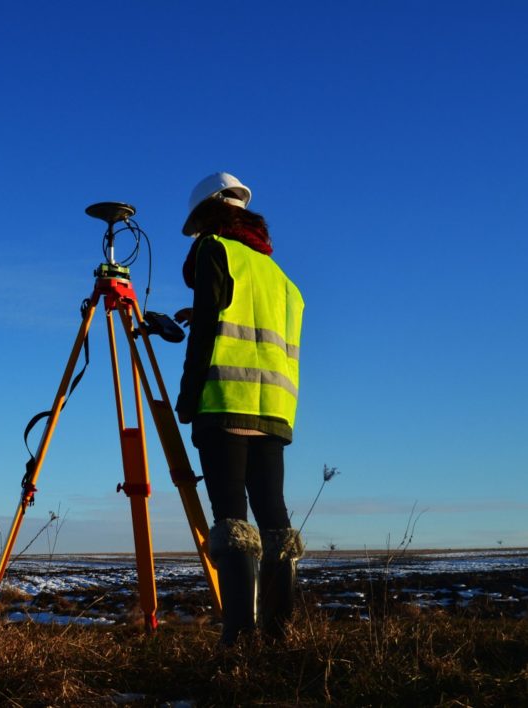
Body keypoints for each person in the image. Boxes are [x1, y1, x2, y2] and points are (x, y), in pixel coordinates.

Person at [174, 172, 305, 645]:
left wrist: (189, 396)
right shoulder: (278, 276)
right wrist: (203, 311)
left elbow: (213, 329)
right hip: (273, 410)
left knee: (230, 517)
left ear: (208, 216)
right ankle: (278, 634)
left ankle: (238, 637)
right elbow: (247, 324)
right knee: (273, 517)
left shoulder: (216, 250)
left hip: (226, 402)